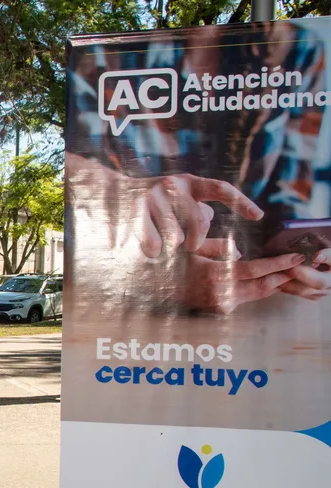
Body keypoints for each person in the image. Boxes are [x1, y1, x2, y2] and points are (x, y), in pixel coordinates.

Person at [67, 20, 331, 313]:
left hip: (263, 302)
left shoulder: (299, 49)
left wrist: (308, 254)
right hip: (126, 300)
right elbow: (73, 169)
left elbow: (290, 189)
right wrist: (119, 192)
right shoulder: (107, 55)